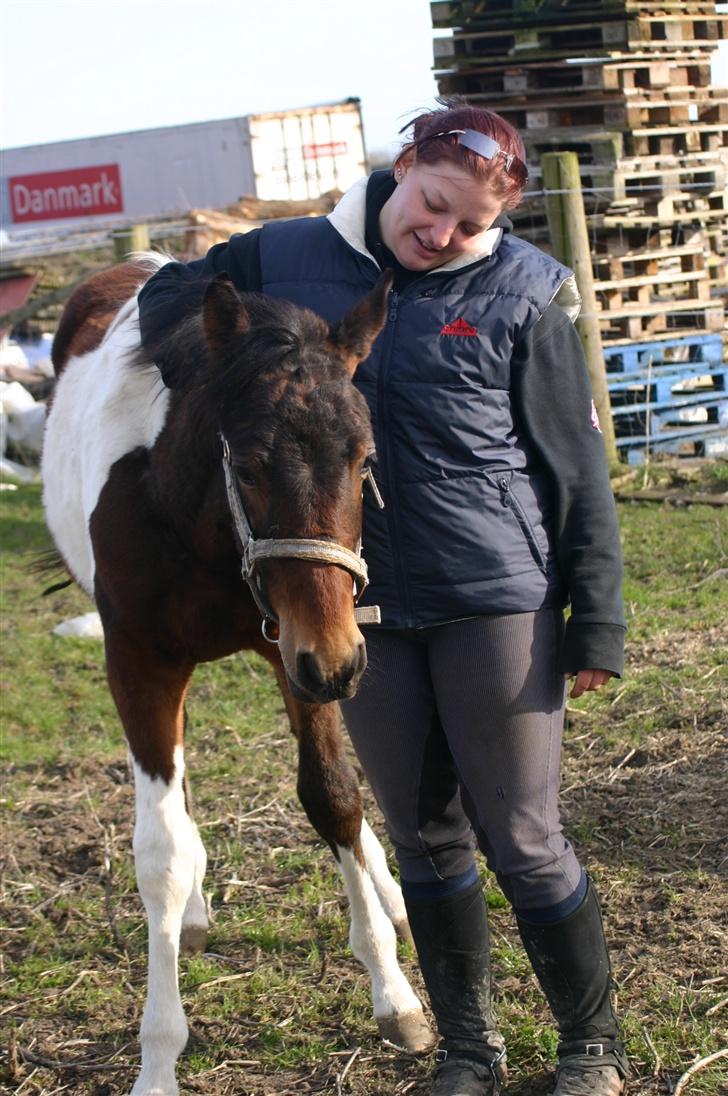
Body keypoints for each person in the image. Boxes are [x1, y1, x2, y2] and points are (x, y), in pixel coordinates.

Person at [137, 99, 628, 1096]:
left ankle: (589, 1049)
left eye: (467, 223)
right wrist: (248, 358)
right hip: (351, 599)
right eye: (434, 203)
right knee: (418, 832)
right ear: (401, 166)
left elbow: (573, 467)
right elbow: (166, 306)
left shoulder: (521, 291)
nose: (440, 233)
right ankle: (465, 1052)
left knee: (523, 837)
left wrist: (599, 613)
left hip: (491, 593)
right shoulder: (289, 251)